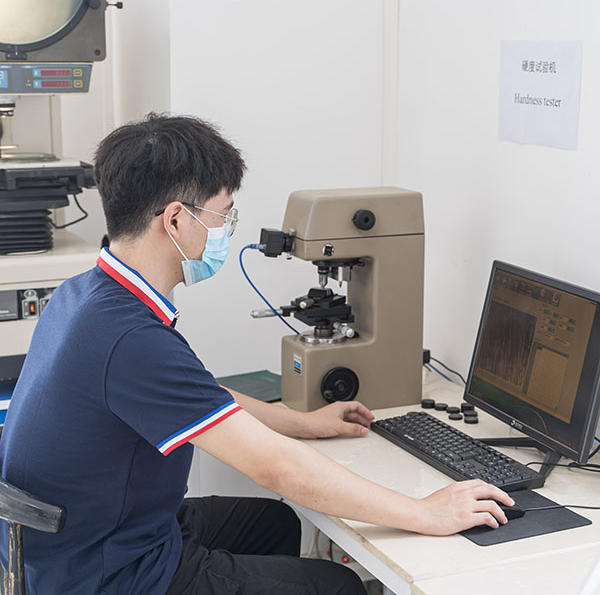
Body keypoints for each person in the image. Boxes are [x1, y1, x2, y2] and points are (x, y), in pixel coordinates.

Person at [0, 114, 513, 595]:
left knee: (274, 523)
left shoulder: (86, 294)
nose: (227, 228)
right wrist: (423, 512)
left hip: (75, 540)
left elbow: (199, 396)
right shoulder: (129, 336)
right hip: (105, 572)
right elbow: (277, 470)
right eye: (222, 214)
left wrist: (303, 424)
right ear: (175, 220)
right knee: (338, 586)